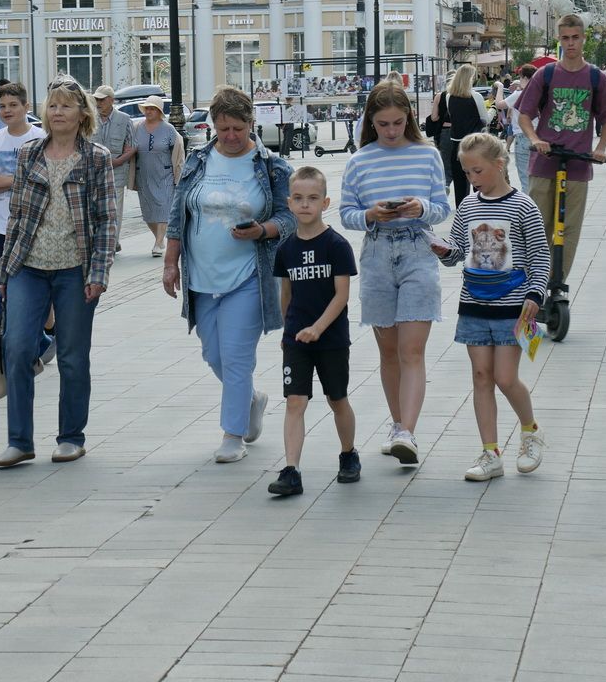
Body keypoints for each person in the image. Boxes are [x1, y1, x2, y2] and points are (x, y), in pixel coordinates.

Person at [162, 87, 295, 464]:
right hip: (200, 277)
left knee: (236, 357)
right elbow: (178, 215)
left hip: (249, 275)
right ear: (213, 127)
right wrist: (171, 262)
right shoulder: (198, 160)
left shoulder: (271, 166)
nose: (231, 136)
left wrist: (263, 230)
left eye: (238, 128)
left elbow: (290, 217)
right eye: (223, 129)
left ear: (252, 124)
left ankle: (232, 434)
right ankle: (251, 399)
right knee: (212, 353)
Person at [0, 75, 118, 467]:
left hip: (75, 270)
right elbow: (17, 216)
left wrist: (98, 272)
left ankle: (70, 437)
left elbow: (108, 219)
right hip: (28, 267)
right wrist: (3, 276)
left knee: (73, 356)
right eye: (53, 104)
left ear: (83, 114)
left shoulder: (95, 158)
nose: (58, 111)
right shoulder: (30, 154)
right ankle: (19, 441)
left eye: (66, 105)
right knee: (16, 347)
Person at [340, 80, 450, 465]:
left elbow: (442, 207)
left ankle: (407, 432)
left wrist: (420, 207)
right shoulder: (360, 159)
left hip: (418, 248)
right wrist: (371, 214)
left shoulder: (427, 154)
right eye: (383, 123)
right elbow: (346, 214)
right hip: (376, 253)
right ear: (372, 121)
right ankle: (397, 423)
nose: (390, 130)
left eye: (398, 123)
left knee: (412, 348)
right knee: (388, 351)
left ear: (409, 119)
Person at [432, 133, 549, 481]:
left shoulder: (523, 206)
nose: (472, 179)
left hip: (514, 308)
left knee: (505, 377)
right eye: (467, 173)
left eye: (477, 171)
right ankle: (490, 453)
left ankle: (530, 431)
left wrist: (535, 294)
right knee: (482, 377)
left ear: (499, 165)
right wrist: (441, 249)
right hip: (474, 304)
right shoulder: (468, 206)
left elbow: (541, 255)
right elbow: (457, 251)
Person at [267, 166, 359, 497]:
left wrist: (318, 328)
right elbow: (286, 294)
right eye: (299, 198)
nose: (306, 205)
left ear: (325, 202)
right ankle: (291, 470)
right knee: (295, 400)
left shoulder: (337, 245)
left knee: (337, 399)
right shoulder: (286, 249)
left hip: (331, 339)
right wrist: (287, 331)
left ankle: (348, 454)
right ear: (289, 203)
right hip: (297, 340)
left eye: (313, 198)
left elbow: (342, 295)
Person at [516, 14, 606, 285]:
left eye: (575, 37)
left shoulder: (595, 77)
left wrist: (600, 148)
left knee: (569, 229)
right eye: (565, 38)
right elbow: (524, 116)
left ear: (583, 38)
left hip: (577, 164)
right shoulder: (547, 74)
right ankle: (534, 283)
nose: (571, 43)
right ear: (559, 40)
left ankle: (556, 283)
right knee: (538, 227)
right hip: (544, 162)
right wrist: (534, 139)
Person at [0, 82, 46, 280]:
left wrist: (5, 180)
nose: (7, 110)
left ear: (27, 107)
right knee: (1, 286)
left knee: (32, 284)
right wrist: (25, 179)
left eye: (13, 105)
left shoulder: (41, 138)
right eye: (3, 106)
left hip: (32, 223)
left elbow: (42, 184)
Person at [432, 64, 491, 209]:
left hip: (457, 144)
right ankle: (480, 209)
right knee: (478, 180)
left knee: (460, 184)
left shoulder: (449, 97)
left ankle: (462, 212)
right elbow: (485, 119)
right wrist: (494, 109)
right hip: (475, 143)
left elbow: (453, 118)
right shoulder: (475, 96)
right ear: (470, 79)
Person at [133, 95, 184, 257]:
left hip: (164, 174)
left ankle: (157, 244)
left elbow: (178, 153)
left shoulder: (169, 129)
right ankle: (160, 239)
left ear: (159, 111)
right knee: (148, 212)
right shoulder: (136, 127)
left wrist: (179, 175)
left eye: (152, 108)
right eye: (147, 108)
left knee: (163, 207)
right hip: (144, 175)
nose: (148, 111)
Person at [92, 85, 136, 250]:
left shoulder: (124, 119)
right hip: (95, 171)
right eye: (97, 99)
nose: (98, 103)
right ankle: (100, 240)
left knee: (115, 209)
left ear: (111, 100)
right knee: (96, 208)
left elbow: (132, 146)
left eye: (102, 99)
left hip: (117, 171)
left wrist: (119, 161)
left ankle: (112, 242)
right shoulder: (90, 119)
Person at [495, 65, 538, 188]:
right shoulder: (540, 93)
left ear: (524, 77)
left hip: (522, 136)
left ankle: (528, 206)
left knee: (525, 180)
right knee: (536, 179)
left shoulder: (519, 94)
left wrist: (500, 87)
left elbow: (499, 104)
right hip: (538, 137)